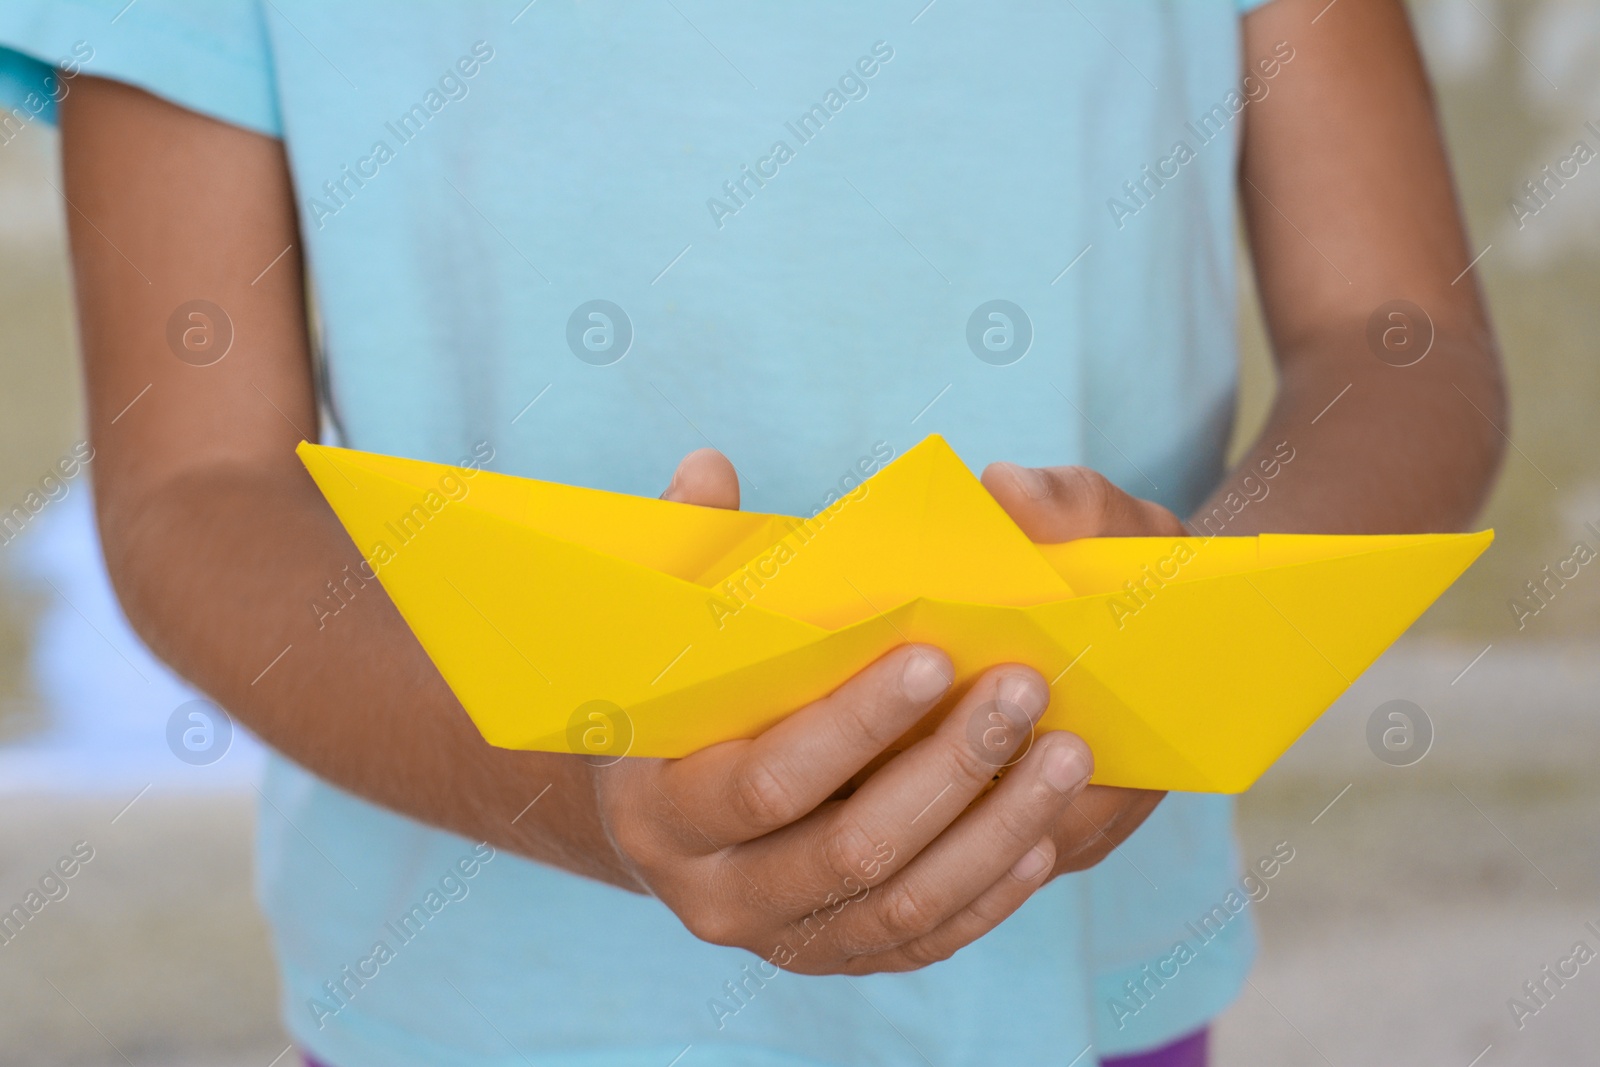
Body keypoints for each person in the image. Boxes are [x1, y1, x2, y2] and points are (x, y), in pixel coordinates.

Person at [0, 0, 1504, 1064]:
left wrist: (1167, 656)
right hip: (471, 1015)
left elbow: (1398, 336)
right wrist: (588, 794)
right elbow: (197, 491)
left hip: (1074, 990)